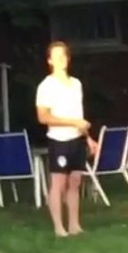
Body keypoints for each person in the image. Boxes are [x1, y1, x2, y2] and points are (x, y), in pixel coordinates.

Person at [34, 41, 99, 237]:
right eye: (56, 57)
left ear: (68, 59)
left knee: (75, 182)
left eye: (64, 56)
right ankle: (58, 227)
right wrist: (72, 123)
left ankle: (74, 225)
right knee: (59, 183)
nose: (61, 60)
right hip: (59, 140)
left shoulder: (76, 84)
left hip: (77, 140)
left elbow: (79, 117)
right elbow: (43, 117)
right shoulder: (46, 86)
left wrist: (89, 139)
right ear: (50, 61)